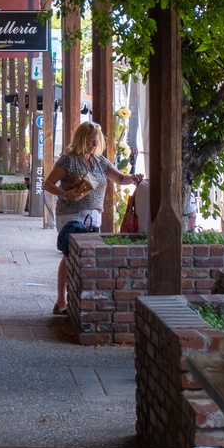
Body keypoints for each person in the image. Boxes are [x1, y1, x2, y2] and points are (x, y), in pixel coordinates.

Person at [42, 122, 142, 316]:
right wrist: (65, 194)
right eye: (90, 141)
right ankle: (61, 300)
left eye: (96, 142)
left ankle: (80, 299)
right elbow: (48, 184)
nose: (93, 145)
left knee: (86, 256)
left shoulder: (100, 162)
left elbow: (121, 179)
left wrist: (133, 178)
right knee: (69, 254)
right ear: (81, 139)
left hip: (93, 216)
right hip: (70, 213)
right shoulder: (68, 160)